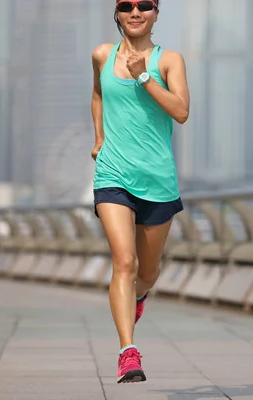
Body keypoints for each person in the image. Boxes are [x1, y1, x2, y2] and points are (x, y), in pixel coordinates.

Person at [90, 0, 189, 384]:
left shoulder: (169, 61)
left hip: (157, 180)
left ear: (156, 13)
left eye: (144, 5)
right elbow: (98, 95)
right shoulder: (102, 55)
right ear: (116, 13)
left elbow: (181, 111)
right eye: (126, 5)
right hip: (112, 174)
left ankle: (140, 296)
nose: (136, 11)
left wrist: (145, 77)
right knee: (125, 263)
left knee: (147, 272)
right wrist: (99, 138)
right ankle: (127, 352)